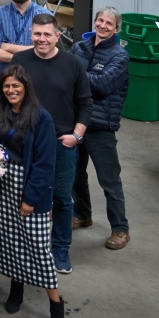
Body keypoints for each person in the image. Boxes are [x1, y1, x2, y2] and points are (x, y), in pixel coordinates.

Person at [11, 14, 93, 274]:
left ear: (58, 36)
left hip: (61, 143)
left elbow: (85, 103)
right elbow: (8, 94)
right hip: (24, 143)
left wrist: (76, 136)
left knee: (61, 197)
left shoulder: (72, 64)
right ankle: (22, 245)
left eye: (47, 34)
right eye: (37, 34)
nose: (41, 39)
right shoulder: (20, 61)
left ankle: (59, 248)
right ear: (31, 34)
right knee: (21, 195)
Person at [0, 64, 65, 318]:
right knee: (10, 239)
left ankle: (56, 305)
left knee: (37, 247)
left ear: (25, 88)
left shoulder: (41, 118)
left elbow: (45, 164)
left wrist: (30, 198)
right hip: (3, 184)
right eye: (6, 86)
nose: (11, 90)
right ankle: (16, 288)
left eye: (16, 86)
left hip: (29, 187)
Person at [68, 7, 131, 251]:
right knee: (75, 174)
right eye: (100, 20)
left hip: (100, 126)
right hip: (75, 122)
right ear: (95, 22)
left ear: (116, 29)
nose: (103, 25)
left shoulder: (120, 56)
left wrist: (75, 75)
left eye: (109, 23)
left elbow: (103, 85)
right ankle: (82, 214)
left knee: (109, 180)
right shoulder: (78, 48)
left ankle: (121, 229)